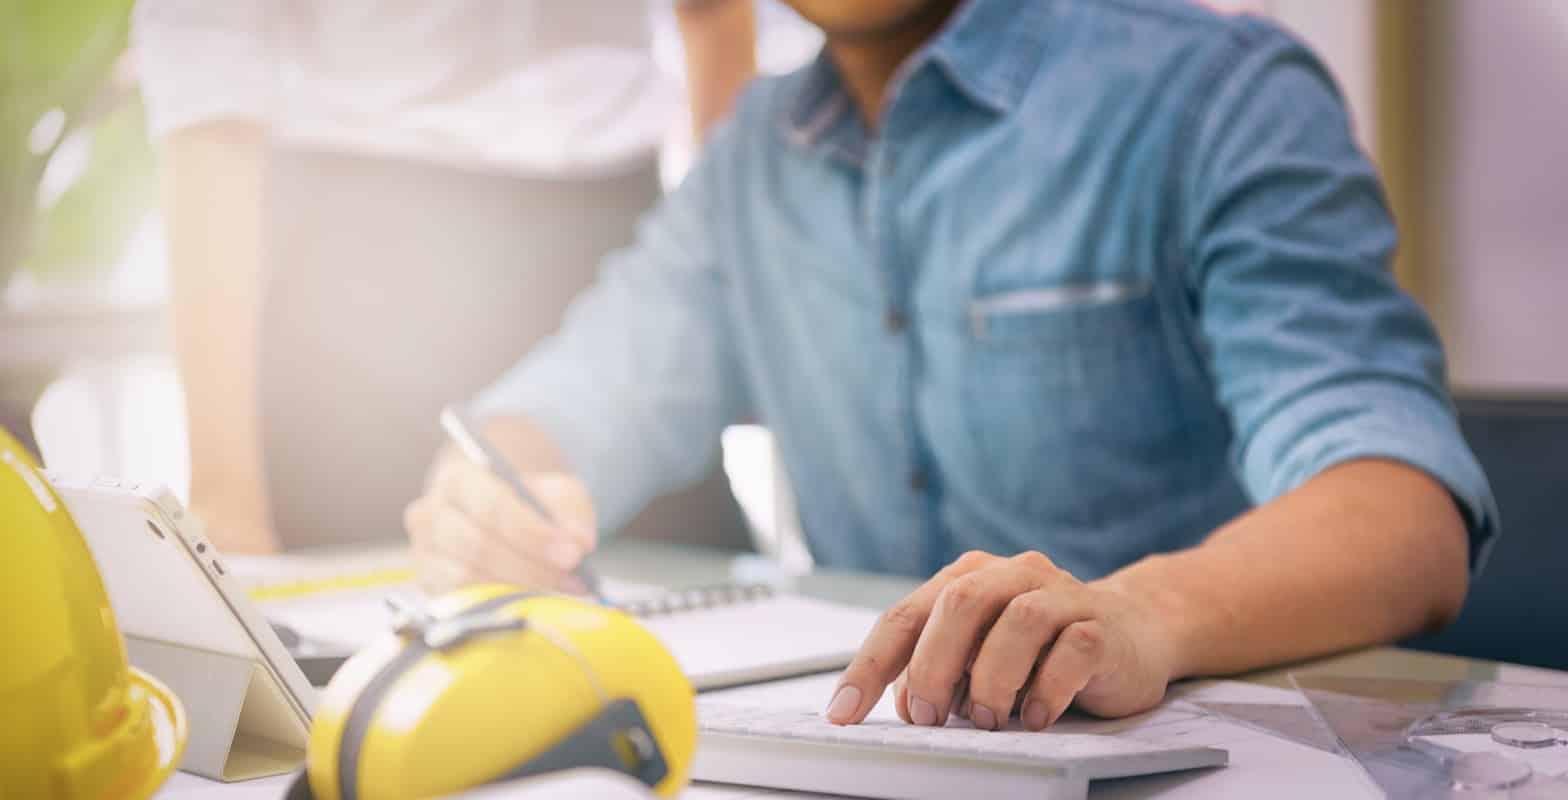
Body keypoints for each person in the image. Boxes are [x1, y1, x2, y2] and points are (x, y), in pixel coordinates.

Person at [405, 0, 1499, 733]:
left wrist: (1137, 617)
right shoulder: (753, 161)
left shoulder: (1213, 91)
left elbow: (1403, 517)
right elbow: (573, 399)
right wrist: (495, 496)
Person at [134, 0, 759, 553]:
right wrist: (226, 502)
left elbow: (712, 11)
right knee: (378, 643)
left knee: (696, 621)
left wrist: (739, 268)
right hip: (363, 278)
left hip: (621, 247)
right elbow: (206, 78)